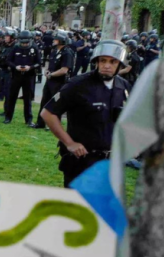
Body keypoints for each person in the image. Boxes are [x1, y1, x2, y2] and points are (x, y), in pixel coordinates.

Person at [41, 40, 130, 187]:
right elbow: (48, 113)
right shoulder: (78, 84)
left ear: (120, 64)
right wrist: (69, 143)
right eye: (103, 61)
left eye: (113, 62)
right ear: (96, 62)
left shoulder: (123, 86)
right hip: (82, 161)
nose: (107, 65)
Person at [34, 31, 75, 129]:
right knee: (44, 101)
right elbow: (50, 63)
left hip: (59, 82)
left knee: (56, 104)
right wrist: (47, 71)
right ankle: (40, 123)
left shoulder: (67, 53)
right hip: (50, 81)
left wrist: (51, 75)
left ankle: (53, 125)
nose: (54, 41)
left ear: (61, 41)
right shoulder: (54, 51)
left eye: (56, 39)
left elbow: (64, 70)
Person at [3, 30, 41, 127]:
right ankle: (8, 117)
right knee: (12, 97)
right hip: (16, 75)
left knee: (27, 99)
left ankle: (28, 119)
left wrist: (30, 67)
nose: (24, 45)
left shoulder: (34, 48)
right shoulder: (15, 48)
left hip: (29, 76)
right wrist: (15, 67)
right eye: (23, 42)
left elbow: (39, 63)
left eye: (26, 43)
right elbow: (8, 61)